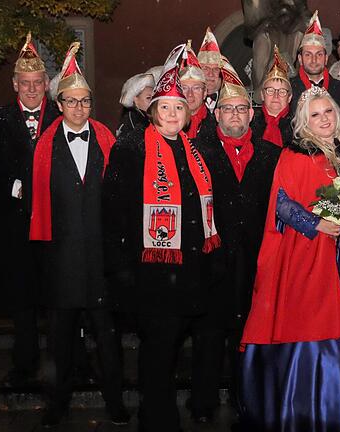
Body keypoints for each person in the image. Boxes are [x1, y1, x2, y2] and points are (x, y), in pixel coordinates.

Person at [102, 43, 223, 432]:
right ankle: (156, 419)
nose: (172, 114)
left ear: (188, 114)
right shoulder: (131, 148)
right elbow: (114, 214)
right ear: (153, 111)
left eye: (179, 108)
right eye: (165, 108)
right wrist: (122, 270)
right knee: (157, 352)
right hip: (150, 275)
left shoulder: (195, 150)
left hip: (187, 273)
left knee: (171, 351)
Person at [239, 86, 340, 431]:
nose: (324, 119)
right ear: (304, 122)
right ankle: (311, 414)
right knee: (316, 336)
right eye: (315, 115)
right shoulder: (296, 154)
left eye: (328, 112)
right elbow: (282, 203)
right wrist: (316, 223)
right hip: (312, 256)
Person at [29, 42, 128, 427]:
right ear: (59, 104)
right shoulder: (44, 147)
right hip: (62, 259)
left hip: (102, 260)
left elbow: (119, 200)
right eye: (71, 101)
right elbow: (35, 208)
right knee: (60, 340)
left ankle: (116, 401)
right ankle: (57, 403)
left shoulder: (107, 139)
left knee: (108, 338)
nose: (78, 108)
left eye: (85, 102)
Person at [191, 56, 281, 422]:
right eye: (227, 109)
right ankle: (203, 403)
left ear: (251, 113)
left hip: (258, 259)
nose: (234, 116)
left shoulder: (272, 155)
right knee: (210, 335)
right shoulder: (199, 154)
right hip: (213, 259)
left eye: (241, 109)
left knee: (251, 336)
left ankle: (249, 401)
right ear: (217, 115)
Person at [0, 32, 60, 389]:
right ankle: (24, 364)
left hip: (56, 224)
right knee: (22, 299)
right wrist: (17, 187)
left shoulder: (61, 114)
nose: (31, 89)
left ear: (46, 83)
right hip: (14, 225)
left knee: (59, 297)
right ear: (15, 84)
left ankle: (66, 364)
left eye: (37, 83)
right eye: (24, 84)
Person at [289, 10, 340, 114]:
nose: (314, 60)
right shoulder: (289, 89)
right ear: (300, 59)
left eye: (319, 54)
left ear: (326, 59)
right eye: (308, 54)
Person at [251, 45, 294, 148]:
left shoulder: (298, 127)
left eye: (282, 91)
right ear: (262, 95)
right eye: (270, 90)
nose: (276, 95)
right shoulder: (250, 125)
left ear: (289, 97)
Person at [180, 41, 215, 141]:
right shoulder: (166, 126)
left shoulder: (218, 127)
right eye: (184, 88)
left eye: (196, 88)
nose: (189, 94)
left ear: (205, 93)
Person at [117, 69, 155, 137]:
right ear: (135, 100)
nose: (152, 101)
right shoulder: (133, 121)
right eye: (148, 98)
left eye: (154, 97)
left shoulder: (146, 118)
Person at [197, 27, 223, 113]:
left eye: (215, 69)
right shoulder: (188, 100)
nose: (211, 74)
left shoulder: (229, 101)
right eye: (206, 69)